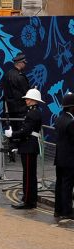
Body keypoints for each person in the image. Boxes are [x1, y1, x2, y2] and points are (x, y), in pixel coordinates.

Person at [11, 88, 45, 210]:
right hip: (28, 145)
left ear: (33, 100)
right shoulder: (33, 112)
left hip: (29, 146)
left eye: (28, 99)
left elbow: (26, 131)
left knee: (28, 175)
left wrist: (13, 134)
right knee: (30, 174)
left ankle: (28, 201)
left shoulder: (32, 113)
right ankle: (31, 199)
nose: (26, 100)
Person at [54, 91, 74, 220]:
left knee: (59, 184)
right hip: (70, 159)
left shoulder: (59, 119)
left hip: (59, 157)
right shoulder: (72, 122)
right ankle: (67, 211)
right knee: (67, 185)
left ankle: (58, 210)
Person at [1, 53, 30, 132]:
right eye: (24, 63)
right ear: (20, 63)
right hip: (21, 110)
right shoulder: (20, 77)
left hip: (10, 110)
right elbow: (26, 93)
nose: (25, 65)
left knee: (13, 132)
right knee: (22, 132)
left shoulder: (7, 75)